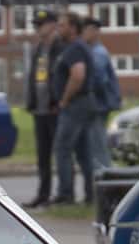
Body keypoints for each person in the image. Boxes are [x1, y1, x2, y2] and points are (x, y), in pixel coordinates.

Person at [51, 14, 97, 206]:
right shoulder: (79, 47)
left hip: (75, 104)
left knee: (62, 149)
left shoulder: (74, 49)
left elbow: (78, 75)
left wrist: (64, 99)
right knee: (84, 151)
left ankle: (65, 194)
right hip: (85, 103)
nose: (58, 29)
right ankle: (91, 194)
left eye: (62, 25)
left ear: (72, 28)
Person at [24, 11, 61, 207]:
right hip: (39, 109)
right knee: (43, 155)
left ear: (53, 25)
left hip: (54, 110)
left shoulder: (59, 47)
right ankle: (43, 194)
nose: (38, 28)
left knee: (61, 153)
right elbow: (35, 77)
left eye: (42, 24)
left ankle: (64, 194)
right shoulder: (38, 49)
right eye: (36, 25)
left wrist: (57, 101)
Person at [83, 17, 121, 179]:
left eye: (85, 30)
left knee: (97, 145)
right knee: (96, 144)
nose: (82, 34)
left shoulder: (98, 53)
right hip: (98, 105)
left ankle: (106, 180)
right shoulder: (94, 51)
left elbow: (98, 79)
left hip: (98, 106)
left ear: (94, 31)